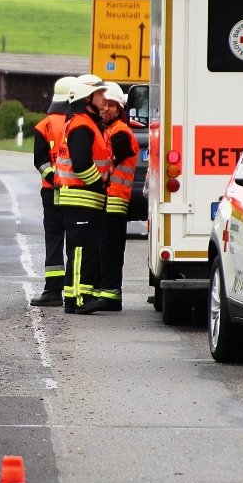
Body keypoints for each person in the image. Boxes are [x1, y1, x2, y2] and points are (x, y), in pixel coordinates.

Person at [55, 77, 110, 314]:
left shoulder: (85, 123)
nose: (103, 99)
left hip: (84, 198)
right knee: (78, 250)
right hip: (81, 197)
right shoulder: (81, 125)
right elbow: (80, 164)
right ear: (86, 98)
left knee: (85, 250)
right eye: (99, 94)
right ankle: (76, 299)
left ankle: (83, 295)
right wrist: (98, 184)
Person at [87, 82, 139, 313]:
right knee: (102, 248)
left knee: (109, 249)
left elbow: (107, 162)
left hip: (114, 200)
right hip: (105, 200)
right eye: (103, 105)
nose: (105, 109)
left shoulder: (120, 133)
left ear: (119, 108)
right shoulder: (108, 130)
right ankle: (103, 294)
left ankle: (110, 295)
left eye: (111, 105)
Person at [29, 76, 76, 307]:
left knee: (55, 239)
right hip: (77, 192)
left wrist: (55, 179)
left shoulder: (43, 125)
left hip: (51, 192)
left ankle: (52, 291)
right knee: (76, 241)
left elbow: (40, 161)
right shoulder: (81, 123)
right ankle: (74, 289)